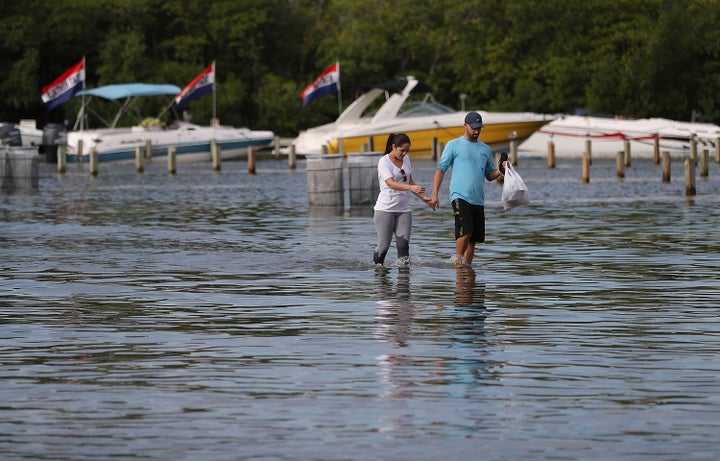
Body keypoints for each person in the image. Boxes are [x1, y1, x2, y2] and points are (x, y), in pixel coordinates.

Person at [429, 112, 508, 265]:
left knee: (473, 241)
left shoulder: (485, 149)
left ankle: (467, 271)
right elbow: (440, 169)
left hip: (478, 199)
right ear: (465, 125)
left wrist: (501, 170)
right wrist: (434, 194)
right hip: (459, 196)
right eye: (474, 128)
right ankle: (458, 264)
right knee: (466, 232)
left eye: (479, 128)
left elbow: (489, 175)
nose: (477, 131)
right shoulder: (453, 145)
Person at [373, 133, 435, 265]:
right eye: (402, 150)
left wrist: (425, 199)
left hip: (404, 209)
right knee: (384, 246)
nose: (405, 153)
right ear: (394, 146)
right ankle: (378, 275)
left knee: (403, 247)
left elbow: (411, 182)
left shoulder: (406, 159)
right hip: (385, 209)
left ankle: (404, 282)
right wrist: (410, 188)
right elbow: (390, 183)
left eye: (407, 151)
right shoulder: (383, 161)